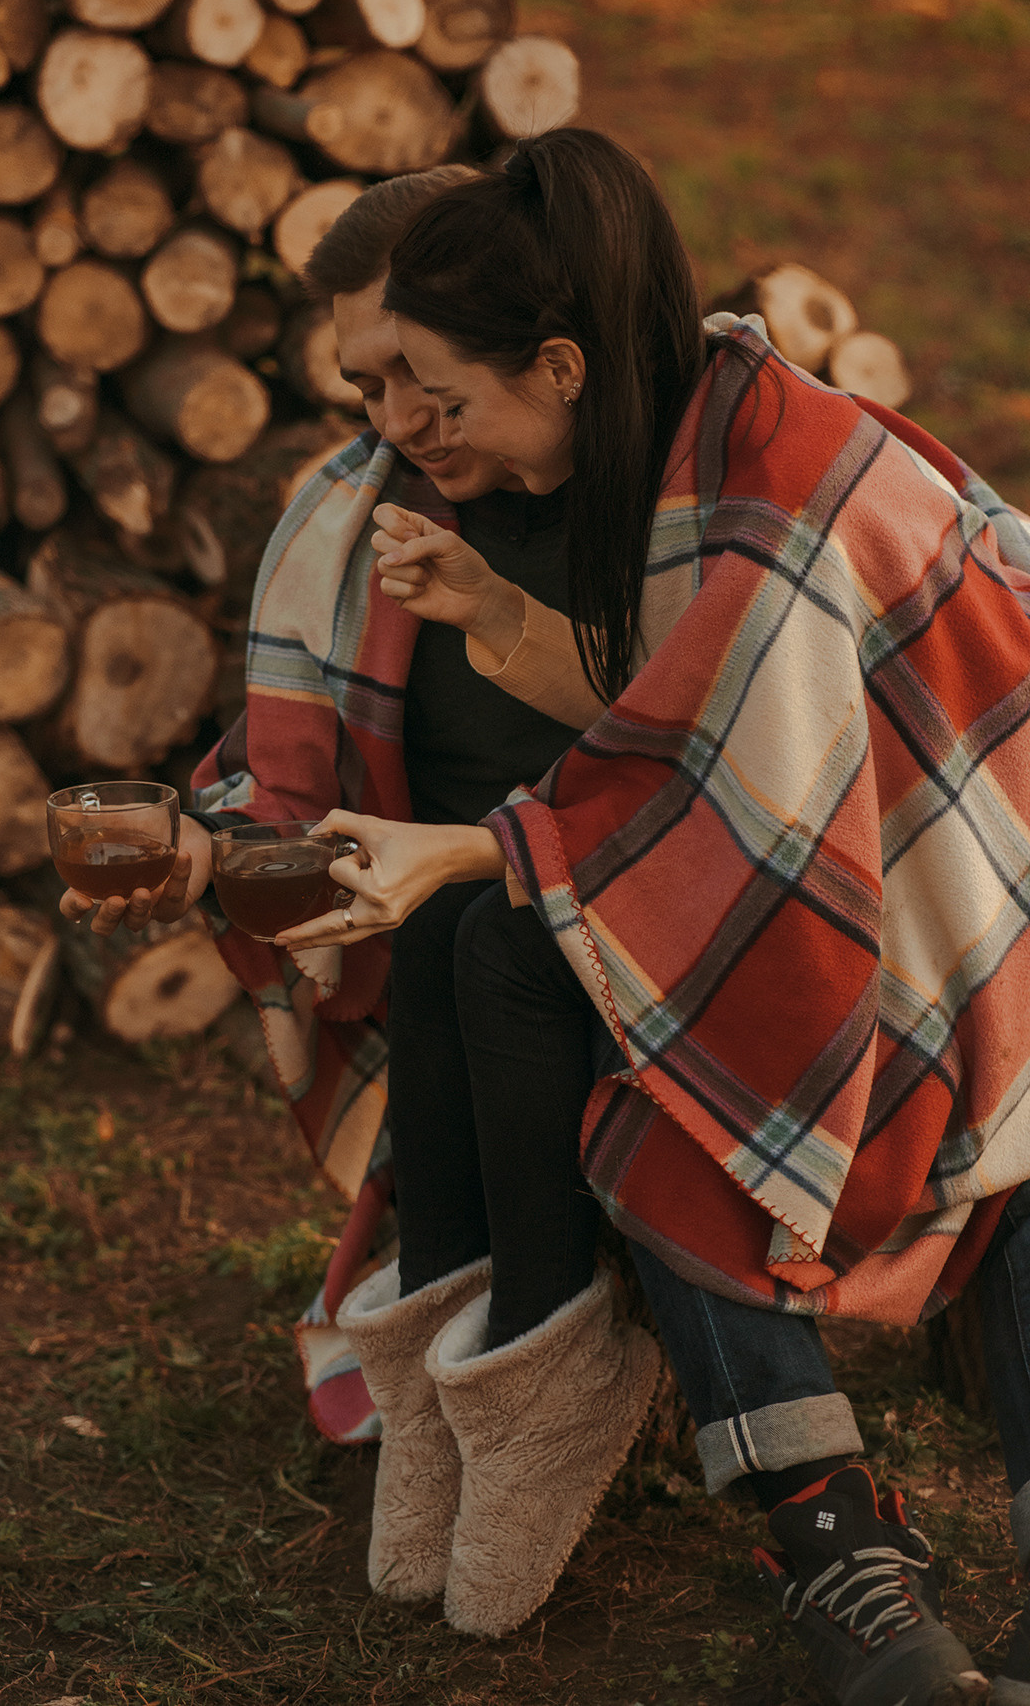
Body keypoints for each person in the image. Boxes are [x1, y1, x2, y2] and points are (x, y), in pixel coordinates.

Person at [265, 130, 1030, 1703]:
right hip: (869, 881)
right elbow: (682, 732)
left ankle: (787, 1513)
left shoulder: (770, 489)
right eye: (380, 396)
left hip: (979, 888)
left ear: (557, 363)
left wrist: (465, 852)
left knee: (679, 1059)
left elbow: (708, 800)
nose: (412, 433)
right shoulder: (685, 432)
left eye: (444, 396)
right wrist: (485, 629)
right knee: (606, 1021)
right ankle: (808, 1532)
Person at [57, 164, 609, 1449]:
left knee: (483, 940)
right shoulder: (355, 516)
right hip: (451, 926)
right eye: (367, 382)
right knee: (440, 942)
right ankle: (470, 1357)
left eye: (421, 371)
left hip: (638, 897)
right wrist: (203, 849)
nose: (398, 415)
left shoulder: (654, 499)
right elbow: (286, 770)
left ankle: (535, 1352)